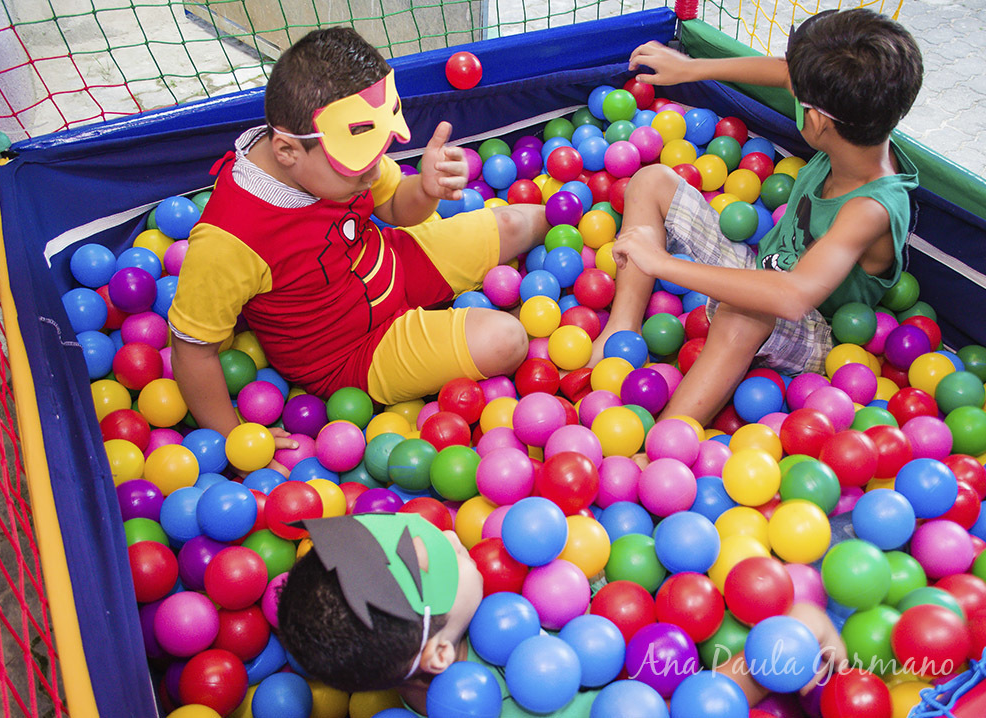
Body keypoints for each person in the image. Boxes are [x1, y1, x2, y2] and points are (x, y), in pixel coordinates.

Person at [168, 27, 548, 469]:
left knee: (524, 221)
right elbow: (192, 350)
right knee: (507, 339)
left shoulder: (337, 157)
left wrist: (423, 190)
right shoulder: (229, 240)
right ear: (287, 150)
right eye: (358, 170)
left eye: (377, 158)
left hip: (394, 263)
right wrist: (233, 438)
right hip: (351, 353)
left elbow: (393, 206)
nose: (372, 176)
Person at [590, 9, 923, 427]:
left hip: (818, 329)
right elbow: (785, 73)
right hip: (760, 269)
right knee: (652, 180)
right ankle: (621, 334)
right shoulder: (855, 120)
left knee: (743, 311)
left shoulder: (870, 208)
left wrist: (661, 263)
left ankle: (668, 439)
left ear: (815, 119)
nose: (789, 84)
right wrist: (691, 68)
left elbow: (791, 296)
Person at [277, 513, 847, 716]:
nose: (451, 532)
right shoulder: (525, 690)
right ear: (438, 655)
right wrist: (795, 633)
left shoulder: (402, 665)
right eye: (444, 556)